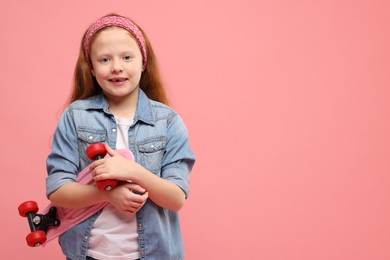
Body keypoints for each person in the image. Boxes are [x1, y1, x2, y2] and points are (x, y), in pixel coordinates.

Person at [45, 13, 196, 260]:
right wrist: (105, 194)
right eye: (105, 59)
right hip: (88, 254)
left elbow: (176, 198)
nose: (117, 66)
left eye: (127, 57)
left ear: (143, 62)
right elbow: (57, 190)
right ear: (91, 68)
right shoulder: (75, 116)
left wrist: (132, 171)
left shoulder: (168, 121)